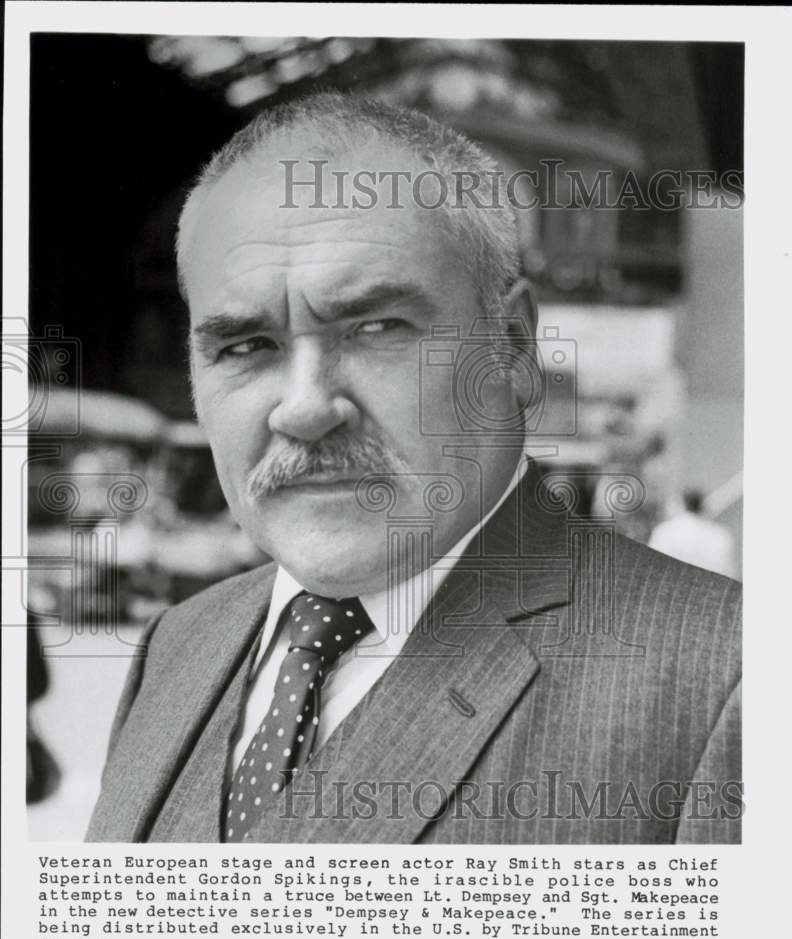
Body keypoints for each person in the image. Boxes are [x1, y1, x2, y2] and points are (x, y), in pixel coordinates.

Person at [87, 93, 741, 844]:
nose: (302, 409)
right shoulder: (178, 646)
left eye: (375, 328)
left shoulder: (725, 682)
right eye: (244, 346)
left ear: (514, 347)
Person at [649, 490, 738, 578]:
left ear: (681, 505)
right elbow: (728, 571)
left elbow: (654, 565)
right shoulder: (720, 535)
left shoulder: (664, 532)